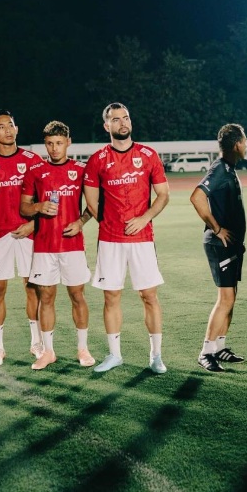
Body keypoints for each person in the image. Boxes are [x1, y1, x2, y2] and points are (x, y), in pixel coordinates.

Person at [84, 103, 170, 374]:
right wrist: (107, 223)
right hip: (110, 241)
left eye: (126, 118)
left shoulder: (148, 155)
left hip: (142, 239)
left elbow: (163, 195)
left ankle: (156, 356)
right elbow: (91, 200)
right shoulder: (97, 159)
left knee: (149, 295)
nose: (122, 123)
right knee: (111, 297)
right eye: (115, 119)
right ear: (106, 126)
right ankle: (114, 355)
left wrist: (144, 218)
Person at [20, 121, 93, 371]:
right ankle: (48, 351)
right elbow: (24, 207)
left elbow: (93, 205)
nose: (54, 148)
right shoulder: (35, 172)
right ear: (45, 144)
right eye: (50, 143)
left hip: (72, 245)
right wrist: (39, 207)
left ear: (68, 143)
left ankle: (83, 349)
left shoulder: (81, 170)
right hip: (44, 247)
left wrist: (81, 221)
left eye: (59, 143)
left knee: (77, 295)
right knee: (46, 298)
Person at [0, 109, 46, 366]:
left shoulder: (33, 159)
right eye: (1, 126)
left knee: (33, 287)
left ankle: (37, 343)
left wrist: (33, 224)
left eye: (11, 124)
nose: (7, 129)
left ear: (16, 129)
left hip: (28, 233)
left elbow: (49, 196)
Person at [190, 123, 247, 373]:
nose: (246, 146)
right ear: (237, 144)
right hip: (219, 244)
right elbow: (196, 197)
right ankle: (206, 351)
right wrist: (216, 227)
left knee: (231, 296)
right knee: (225, 298)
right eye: (244, 141)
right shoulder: (220, 170)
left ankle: (220, 347)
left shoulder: (229, 168)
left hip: (232, 245)